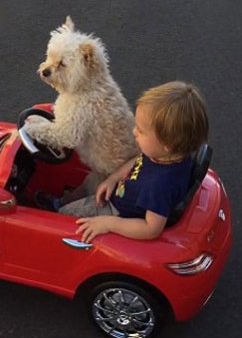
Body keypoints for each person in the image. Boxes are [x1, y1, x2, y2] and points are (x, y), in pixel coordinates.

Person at [62, 81, 209, 243]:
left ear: (167, 144)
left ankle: (56, 209)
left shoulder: (159, 187)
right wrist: (113, 178)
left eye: (140, 130)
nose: (134, 132)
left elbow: (151, 229)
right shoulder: (161, 154)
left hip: (117, 213)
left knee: (65, 217)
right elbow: (136, 160)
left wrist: (109, 223)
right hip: (120, 191)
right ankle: (63, 200)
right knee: (92, 179)